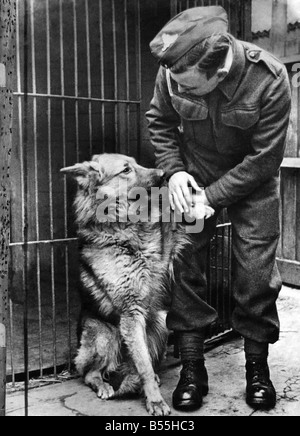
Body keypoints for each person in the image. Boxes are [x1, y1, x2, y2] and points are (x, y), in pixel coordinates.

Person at [146, 6, 291, 412]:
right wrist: (173, 173)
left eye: (189, 88)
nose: (180, 91)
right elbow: (159, 120)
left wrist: (212, 198)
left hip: (253, 183)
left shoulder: (270, 77)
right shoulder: (174, 68)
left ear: (218, 70)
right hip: (191, 178)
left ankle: (257, 368)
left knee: (256, 273)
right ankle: (193, 366)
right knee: (184, 265)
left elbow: (265, 159)